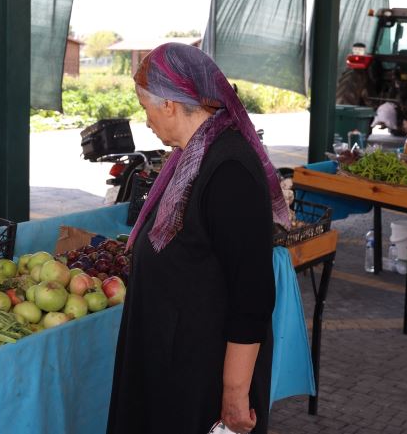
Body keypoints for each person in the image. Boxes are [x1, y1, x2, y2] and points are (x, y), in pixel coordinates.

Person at [106, 43, 289, 434]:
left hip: (201, 372)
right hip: (172, 360)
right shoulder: (190, 156)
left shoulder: (229, 169)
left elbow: (251, 294)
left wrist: (235, 392)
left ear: (169, 105)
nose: (147, 120)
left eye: (146, 108)